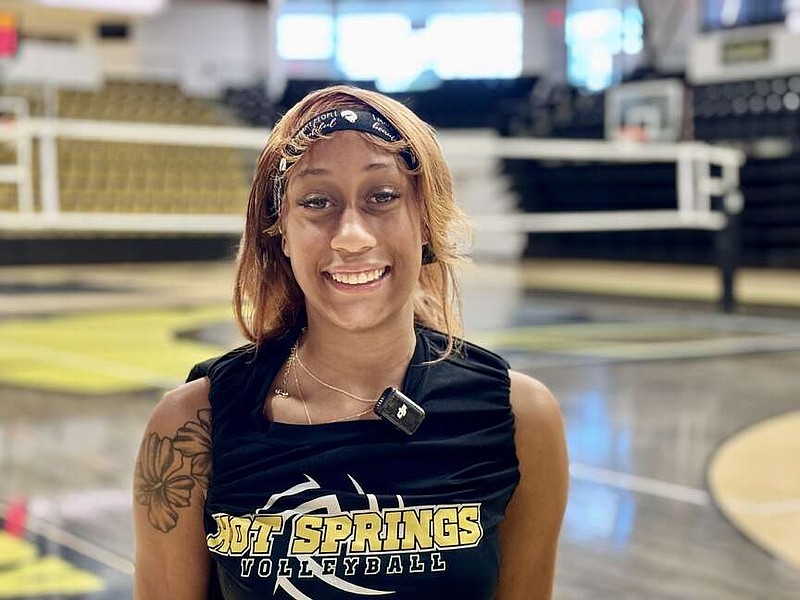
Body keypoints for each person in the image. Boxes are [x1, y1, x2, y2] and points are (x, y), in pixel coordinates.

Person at [133, 85, 568, 599]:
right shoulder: (189, 427)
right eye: (317, 202)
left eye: (382, 197)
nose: (352, 235)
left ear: (426, 221)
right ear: (282, 233)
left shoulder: (520, 417)